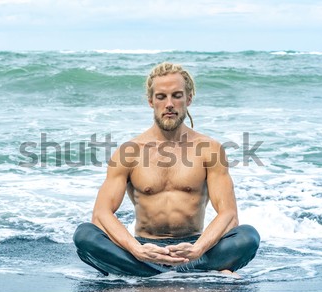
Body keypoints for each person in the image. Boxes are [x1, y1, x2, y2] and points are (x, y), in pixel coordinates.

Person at [73, 62, 260, 277]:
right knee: (84, 234)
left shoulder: (210, 149)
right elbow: (101, 214)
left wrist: (198, 249)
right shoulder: (129, 152)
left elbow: (229, 215)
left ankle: (148, 274)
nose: (169, 104)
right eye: (161, 97)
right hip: (144, 247)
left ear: (189, 99)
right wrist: (137, 250)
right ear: (151, 101)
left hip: (195, 247)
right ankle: (192, 273)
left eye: (177, 96)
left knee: (248, 236)